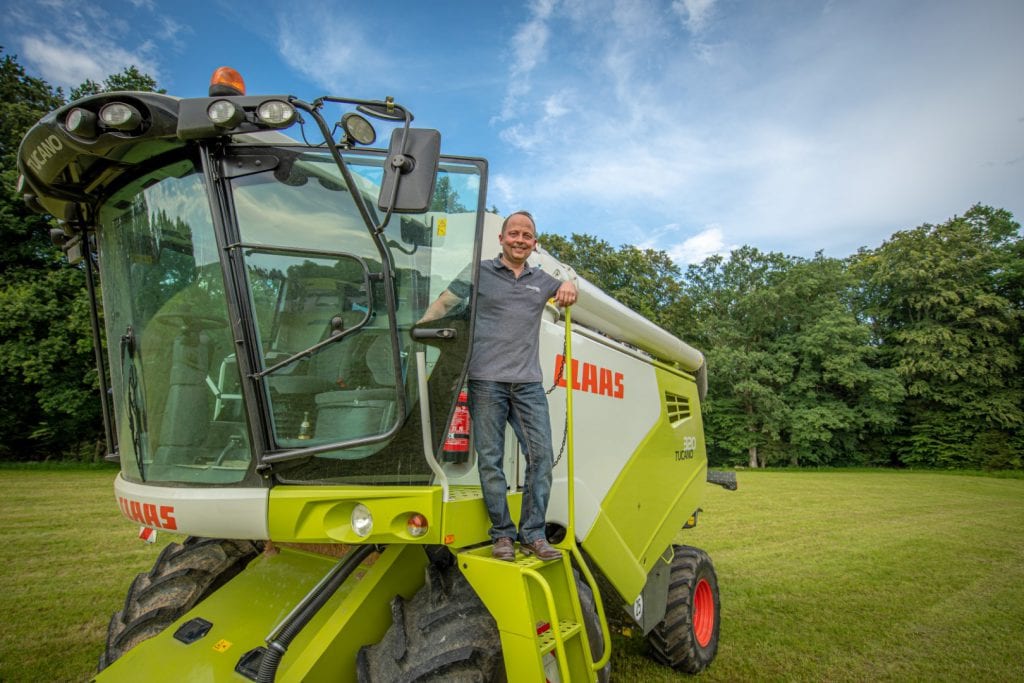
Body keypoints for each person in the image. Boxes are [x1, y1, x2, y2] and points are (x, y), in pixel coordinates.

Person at [419, 211, 577, 560]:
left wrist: (569, 285)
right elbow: (445, 301)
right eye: (514, 233)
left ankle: (533, 534)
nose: (520, 240)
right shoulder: (479, 272)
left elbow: (569, 289)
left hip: (528, 385)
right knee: (490, 461)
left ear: (535, 243)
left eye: (527, 235)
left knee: (542, 458)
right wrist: (418, 332)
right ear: (502, 238)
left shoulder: (542, 280)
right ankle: (502, 535)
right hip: (485, 381)